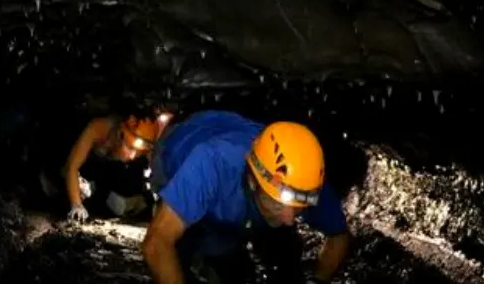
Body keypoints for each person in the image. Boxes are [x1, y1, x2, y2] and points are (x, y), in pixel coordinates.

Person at [140, 110, 351, 284]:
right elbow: (157, 242)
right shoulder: (211, 164)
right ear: (253, 180)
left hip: (241, 193)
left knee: (280, 256)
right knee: (190, 252)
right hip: (178, 156)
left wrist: (318, 280)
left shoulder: (304, 179)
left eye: (299, 208)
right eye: (279, 205)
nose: (291, 219)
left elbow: (338, 236)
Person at [58, 111, 173, 223]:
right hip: (90, 164)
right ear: (121, 132)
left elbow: (157, 175)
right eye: (130, 148)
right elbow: (71, 167)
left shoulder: (146, 149)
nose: (132, 155)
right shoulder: (99, 128)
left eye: (139, 151)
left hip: (114, 171)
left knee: (121, 203)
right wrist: (76, 204)